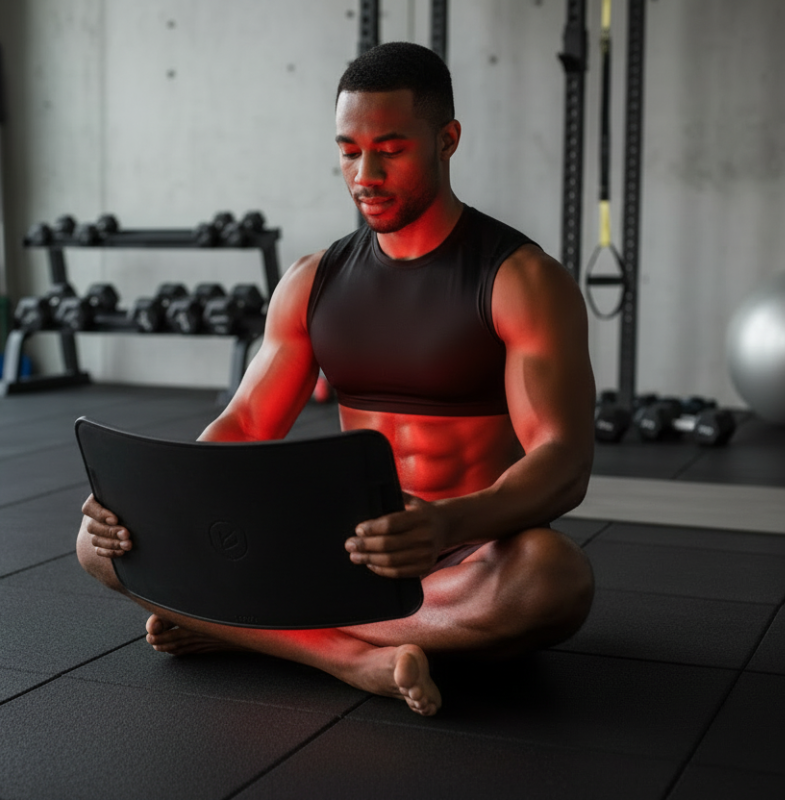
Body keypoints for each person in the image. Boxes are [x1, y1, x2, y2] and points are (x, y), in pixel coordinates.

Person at [77, 41, 595, 716]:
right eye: (349, 151)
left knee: (553, 581)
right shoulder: (312, 282)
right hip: (338, 549)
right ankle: (350, 660)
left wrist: (446, 526)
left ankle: (245, 630)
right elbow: (245, 424)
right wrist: (167, 506)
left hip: (464, 556)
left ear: (447, 140)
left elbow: (564, 459)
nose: (365, 173)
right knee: (96, 543)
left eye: (391, 148)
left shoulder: (520, 279)